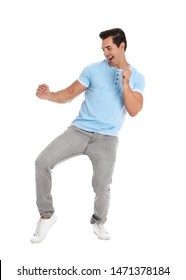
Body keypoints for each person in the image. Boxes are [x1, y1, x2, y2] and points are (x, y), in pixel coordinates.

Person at [31, 28, 145, 243]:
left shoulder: (137, 77)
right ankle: (46, 215)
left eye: (109, 48)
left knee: (102, 186)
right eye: (103, 49)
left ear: (122, 46)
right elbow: (68, 95)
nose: (105, 53)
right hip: (79, 131)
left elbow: (134, 110)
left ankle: (98, 221)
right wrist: (49, 96)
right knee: (42, 162)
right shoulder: (92, 70)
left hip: (107, 139)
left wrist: (126, 83)